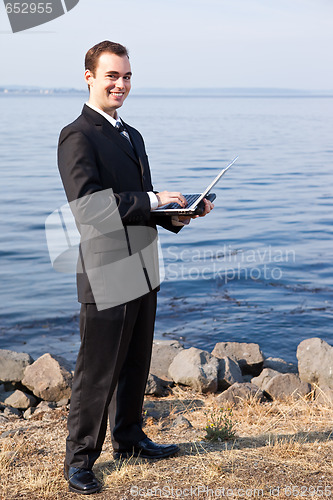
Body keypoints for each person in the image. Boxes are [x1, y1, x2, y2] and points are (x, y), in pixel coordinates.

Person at [57, 40, 214, 495]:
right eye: (112, 76)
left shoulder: (133, 135)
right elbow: (89, 209)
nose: (121, 84)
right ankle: (80, 460)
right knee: (97, 370)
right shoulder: (77, 135)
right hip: (107, 270)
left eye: (126, 76)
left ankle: (129, 439)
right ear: (89, 77)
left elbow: (137, 209)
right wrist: (153, 198)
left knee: (134, 363)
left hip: (144, 262)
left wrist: (177, 215)